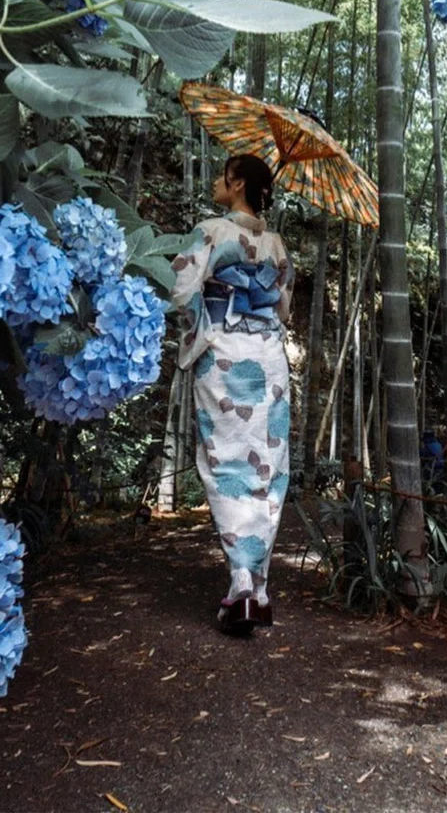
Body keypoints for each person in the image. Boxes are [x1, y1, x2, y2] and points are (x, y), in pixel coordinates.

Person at [170, 154, 294, 636]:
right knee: (269, 462)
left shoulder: (209, 230)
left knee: (224, 463)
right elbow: (282, 307)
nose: (216, 183)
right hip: (268, 358)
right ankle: (257, 590)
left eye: (223, 176)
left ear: (238, 183)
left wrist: (206, 336)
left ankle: (241, 582)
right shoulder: (278, 243)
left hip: (223, 353)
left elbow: (182, 290)